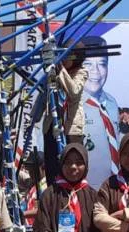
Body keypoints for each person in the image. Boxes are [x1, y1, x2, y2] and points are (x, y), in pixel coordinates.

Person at [36, 143, 100, 232]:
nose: (73, 167)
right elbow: (45, 228)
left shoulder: (92, 195)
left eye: (79, 163)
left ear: (86, 165)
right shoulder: (50, 194)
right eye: (68, 162)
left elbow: (98, 231)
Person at [43, 44, 88, 184]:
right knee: (52, 165)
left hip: (71, 128)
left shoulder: (81, 72)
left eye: (66, 57)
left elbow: (73, 92)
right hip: (53, 124)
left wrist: (61, 69)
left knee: (71, 164)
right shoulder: (54, 71)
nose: (64, 60)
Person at [80, 35, 121, 188]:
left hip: (113, 189)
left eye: (102, 64)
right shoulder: (69, 104)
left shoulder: (112, 103)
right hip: (84, 189)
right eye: (88, 64)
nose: (96, 71)